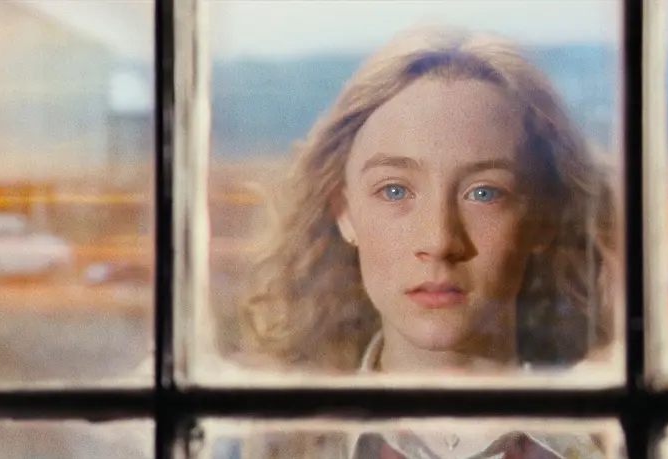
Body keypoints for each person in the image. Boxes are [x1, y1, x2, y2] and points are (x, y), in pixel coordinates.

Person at [229, 24, 618, 459]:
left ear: (543, 217)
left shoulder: (618, 442)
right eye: (395, 190)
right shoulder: (265, 445)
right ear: (344, 213)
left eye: (484, 193)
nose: (439, 241)